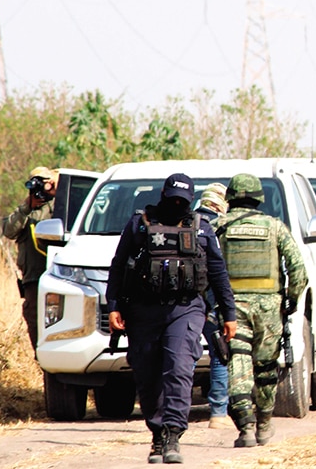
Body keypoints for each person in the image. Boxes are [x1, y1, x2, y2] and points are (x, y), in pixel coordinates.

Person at [106, 173, 237, 464]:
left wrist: (229, 313)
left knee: (178, 368)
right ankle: (157, 434)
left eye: (183, 200)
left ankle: (174, 433)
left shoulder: (201, 227)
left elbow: (218, 273)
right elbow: (118, 266)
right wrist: (113, 306)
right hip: (143, 310)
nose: (177, 204)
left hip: (186, 309)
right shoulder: (139, 224)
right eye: (173, 198)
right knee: (147, 374)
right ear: (163, 195)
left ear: (191, 201)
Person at [213, 173, 308, 448]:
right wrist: (290, 300)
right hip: (269, 308)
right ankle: (264, 424)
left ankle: (245, 428)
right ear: (258, 198)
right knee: (266, 369)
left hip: (232, 308)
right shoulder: (275, 227)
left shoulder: (219, 226)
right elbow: (299, 271)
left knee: (238, 364)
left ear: (229, 197)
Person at [1, 166, 58, 353]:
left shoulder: (58, 206)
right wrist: (27, 206)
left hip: (57, 276)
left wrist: (58, 191)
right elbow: (9, 230)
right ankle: (41, 358)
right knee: (33, 318)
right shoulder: (26, 211)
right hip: (33, 278)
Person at [197, 183, 233, 429]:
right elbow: (221, 272)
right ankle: (218, 413)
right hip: (212, 301)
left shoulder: (187, 222)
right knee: (220, 353)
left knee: (181, 355)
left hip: (183, 302)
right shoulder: (221, 226)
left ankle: (173, 409)